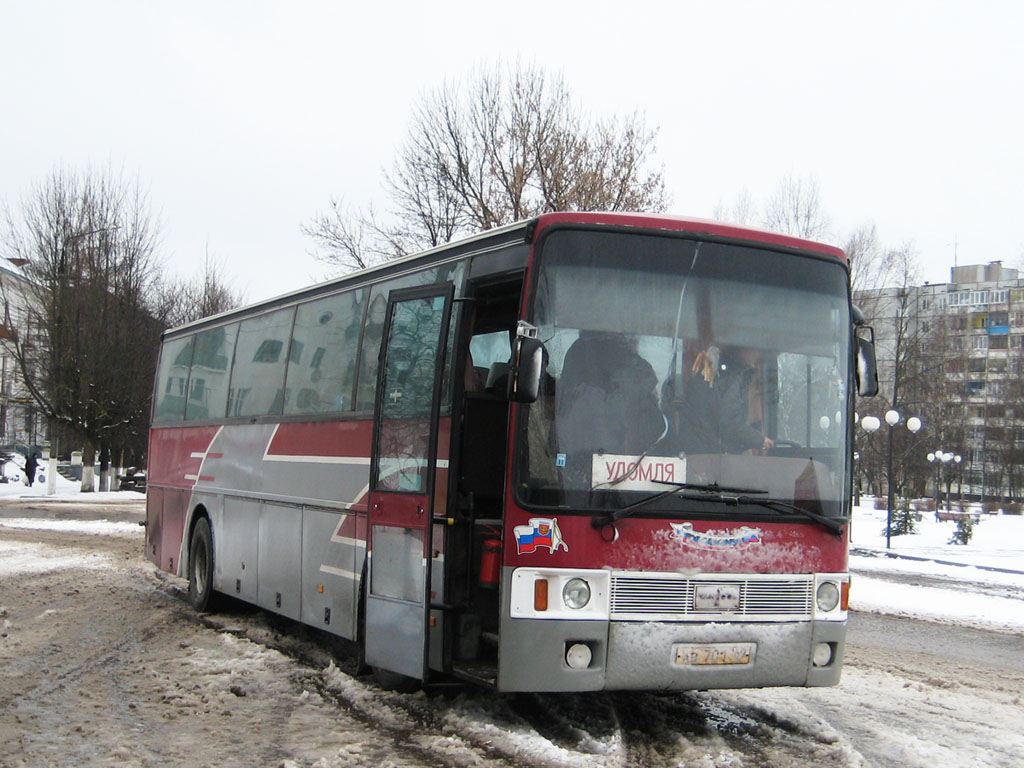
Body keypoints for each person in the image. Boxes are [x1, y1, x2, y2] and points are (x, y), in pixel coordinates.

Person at [678, 345, 774, 455]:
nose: (757, 357)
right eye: (756, 351)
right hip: (709, 458)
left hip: (704, 454)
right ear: (743, 348)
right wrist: (760, 440)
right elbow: (729, 424)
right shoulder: (731, 377)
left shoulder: (723, 374)